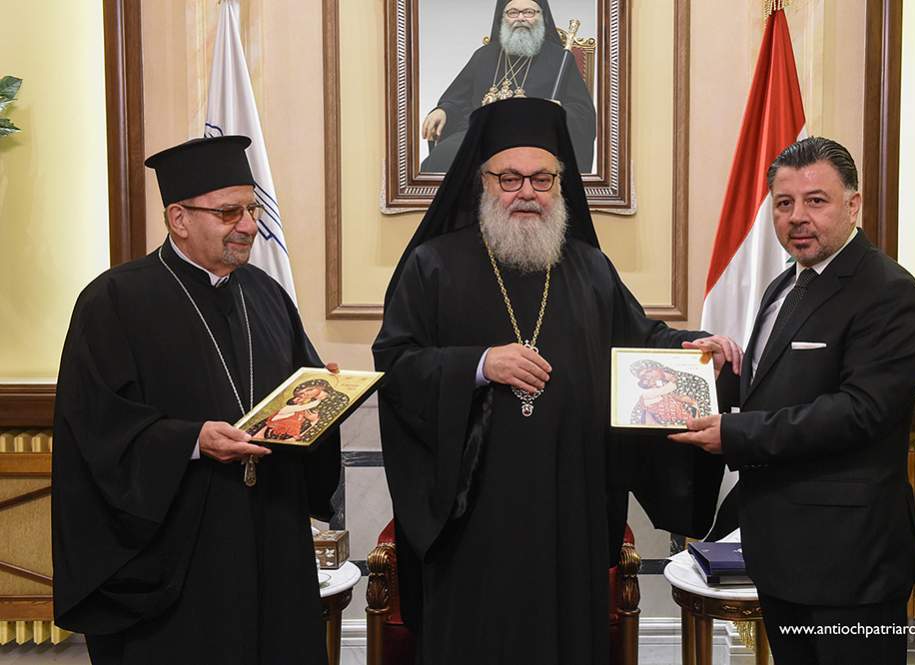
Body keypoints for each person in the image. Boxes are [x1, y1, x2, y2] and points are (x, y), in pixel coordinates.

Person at [373, 97, 741, 665]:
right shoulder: (433, 266)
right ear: (482, 182)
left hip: (572, 502)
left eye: (542, 179)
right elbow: (395, 364)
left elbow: (641, 340)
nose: (527, 192)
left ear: (560, 185)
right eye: (510, 178)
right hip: (475, 516)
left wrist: (695, 351)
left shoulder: (590, 269)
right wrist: (479, 364)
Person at [52, 136, 341, 665]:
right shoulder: (113, 301)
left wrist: (324, 394)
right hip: (182, 550)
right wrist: (191, 440)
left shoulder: (266, 294)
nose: (248, 225)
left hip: (272, 533)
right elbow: (96, 426)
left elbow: (296, 400)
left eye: (252, 209)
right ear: (179, 218)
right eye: (229, 212)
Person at [672, 137, 915, 665]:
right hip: (779, 554)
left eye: (816, 201)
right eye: (784, 203)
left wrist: (735, 434)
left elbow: (861, 411)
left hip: (851, 561)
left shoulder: (890, 293)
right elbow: (783, 385)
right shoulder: (784, 285)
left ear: (853, 205)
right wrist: (722, 373)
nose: (797, 217)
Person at [420, 0, 596, 173]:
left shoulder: (559, 59)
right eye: (513, 12)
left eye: (529, 12)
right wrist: (443, 110)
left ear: (542, 18)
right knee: (442, 156)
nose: (521, 18)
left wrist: (556, 111)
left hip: (532, 139)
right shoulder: (483, 56)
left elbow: (583, 113)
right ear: (502, 18)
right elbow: (459, 98)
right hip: (480, 134)